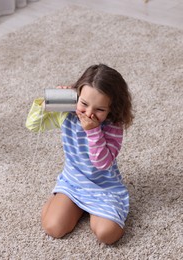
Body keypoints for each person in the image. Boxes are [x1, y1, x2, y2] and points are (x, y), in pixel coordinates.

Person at [25, 64, 134, 244]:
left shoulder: (113, 126)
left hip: (104, 187)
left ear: (111, 109)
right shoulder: (67, 113)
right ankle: (67, 201)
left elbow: (102, 163)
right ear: (76, 97)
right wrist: (49, 101)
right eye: (84, 104)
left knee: (108, 235)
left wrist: (93, 131)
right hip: (74, 181)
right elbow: (33, 125)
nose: (89, 113)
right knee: (53, 228)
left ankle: (87, 208)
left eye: (100, 109)